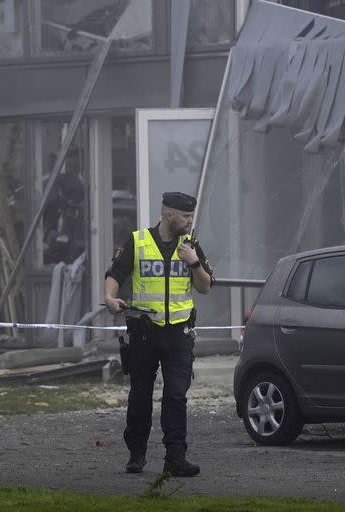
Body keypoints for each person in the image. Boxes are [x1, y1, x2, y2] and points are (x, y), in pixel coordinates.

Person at [104, 191, 213, 477]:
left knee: (176, 396)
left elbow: (205, 287)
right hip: (144, 333)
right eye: (186, 216)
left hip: (178, 335)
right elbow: (116, 272)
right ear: (168, 215)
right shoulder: (138, 241)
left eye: (191, 216)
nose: (190, 221)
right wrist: (109, 297)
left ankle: (175, 457)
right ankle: (136, 454)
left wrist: (195, 263)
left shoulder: (191, 245)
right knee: (140, 395)